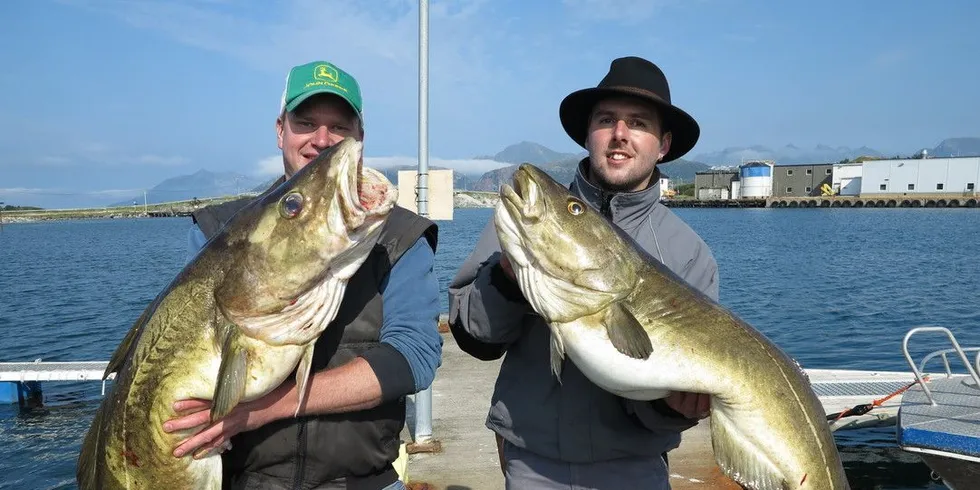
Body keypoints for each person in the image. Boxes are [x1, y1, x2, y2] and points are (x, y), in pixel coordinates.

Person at [164, 60, 443, 490]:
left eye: (340, 127)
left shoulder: (401, 236)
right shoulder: (217, 232)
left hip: (363, 480)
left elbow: (415, 356)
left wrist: (270, 406)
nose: (322, 140)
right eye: (306, 123)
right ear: (280, 130)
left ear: (360, 138)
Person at [447, 56, 719, 489]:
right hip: (531, 460)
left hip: (634, 465)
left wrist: (673, 407)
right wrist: (506, 279)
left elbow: (678, 387)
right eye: (606, 119)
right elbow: (473, 337)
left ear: (663, 144)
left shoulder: (689, 254)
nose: (620, 135)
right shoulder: (531, 217)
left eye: (639, 123)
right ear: (588, 133)